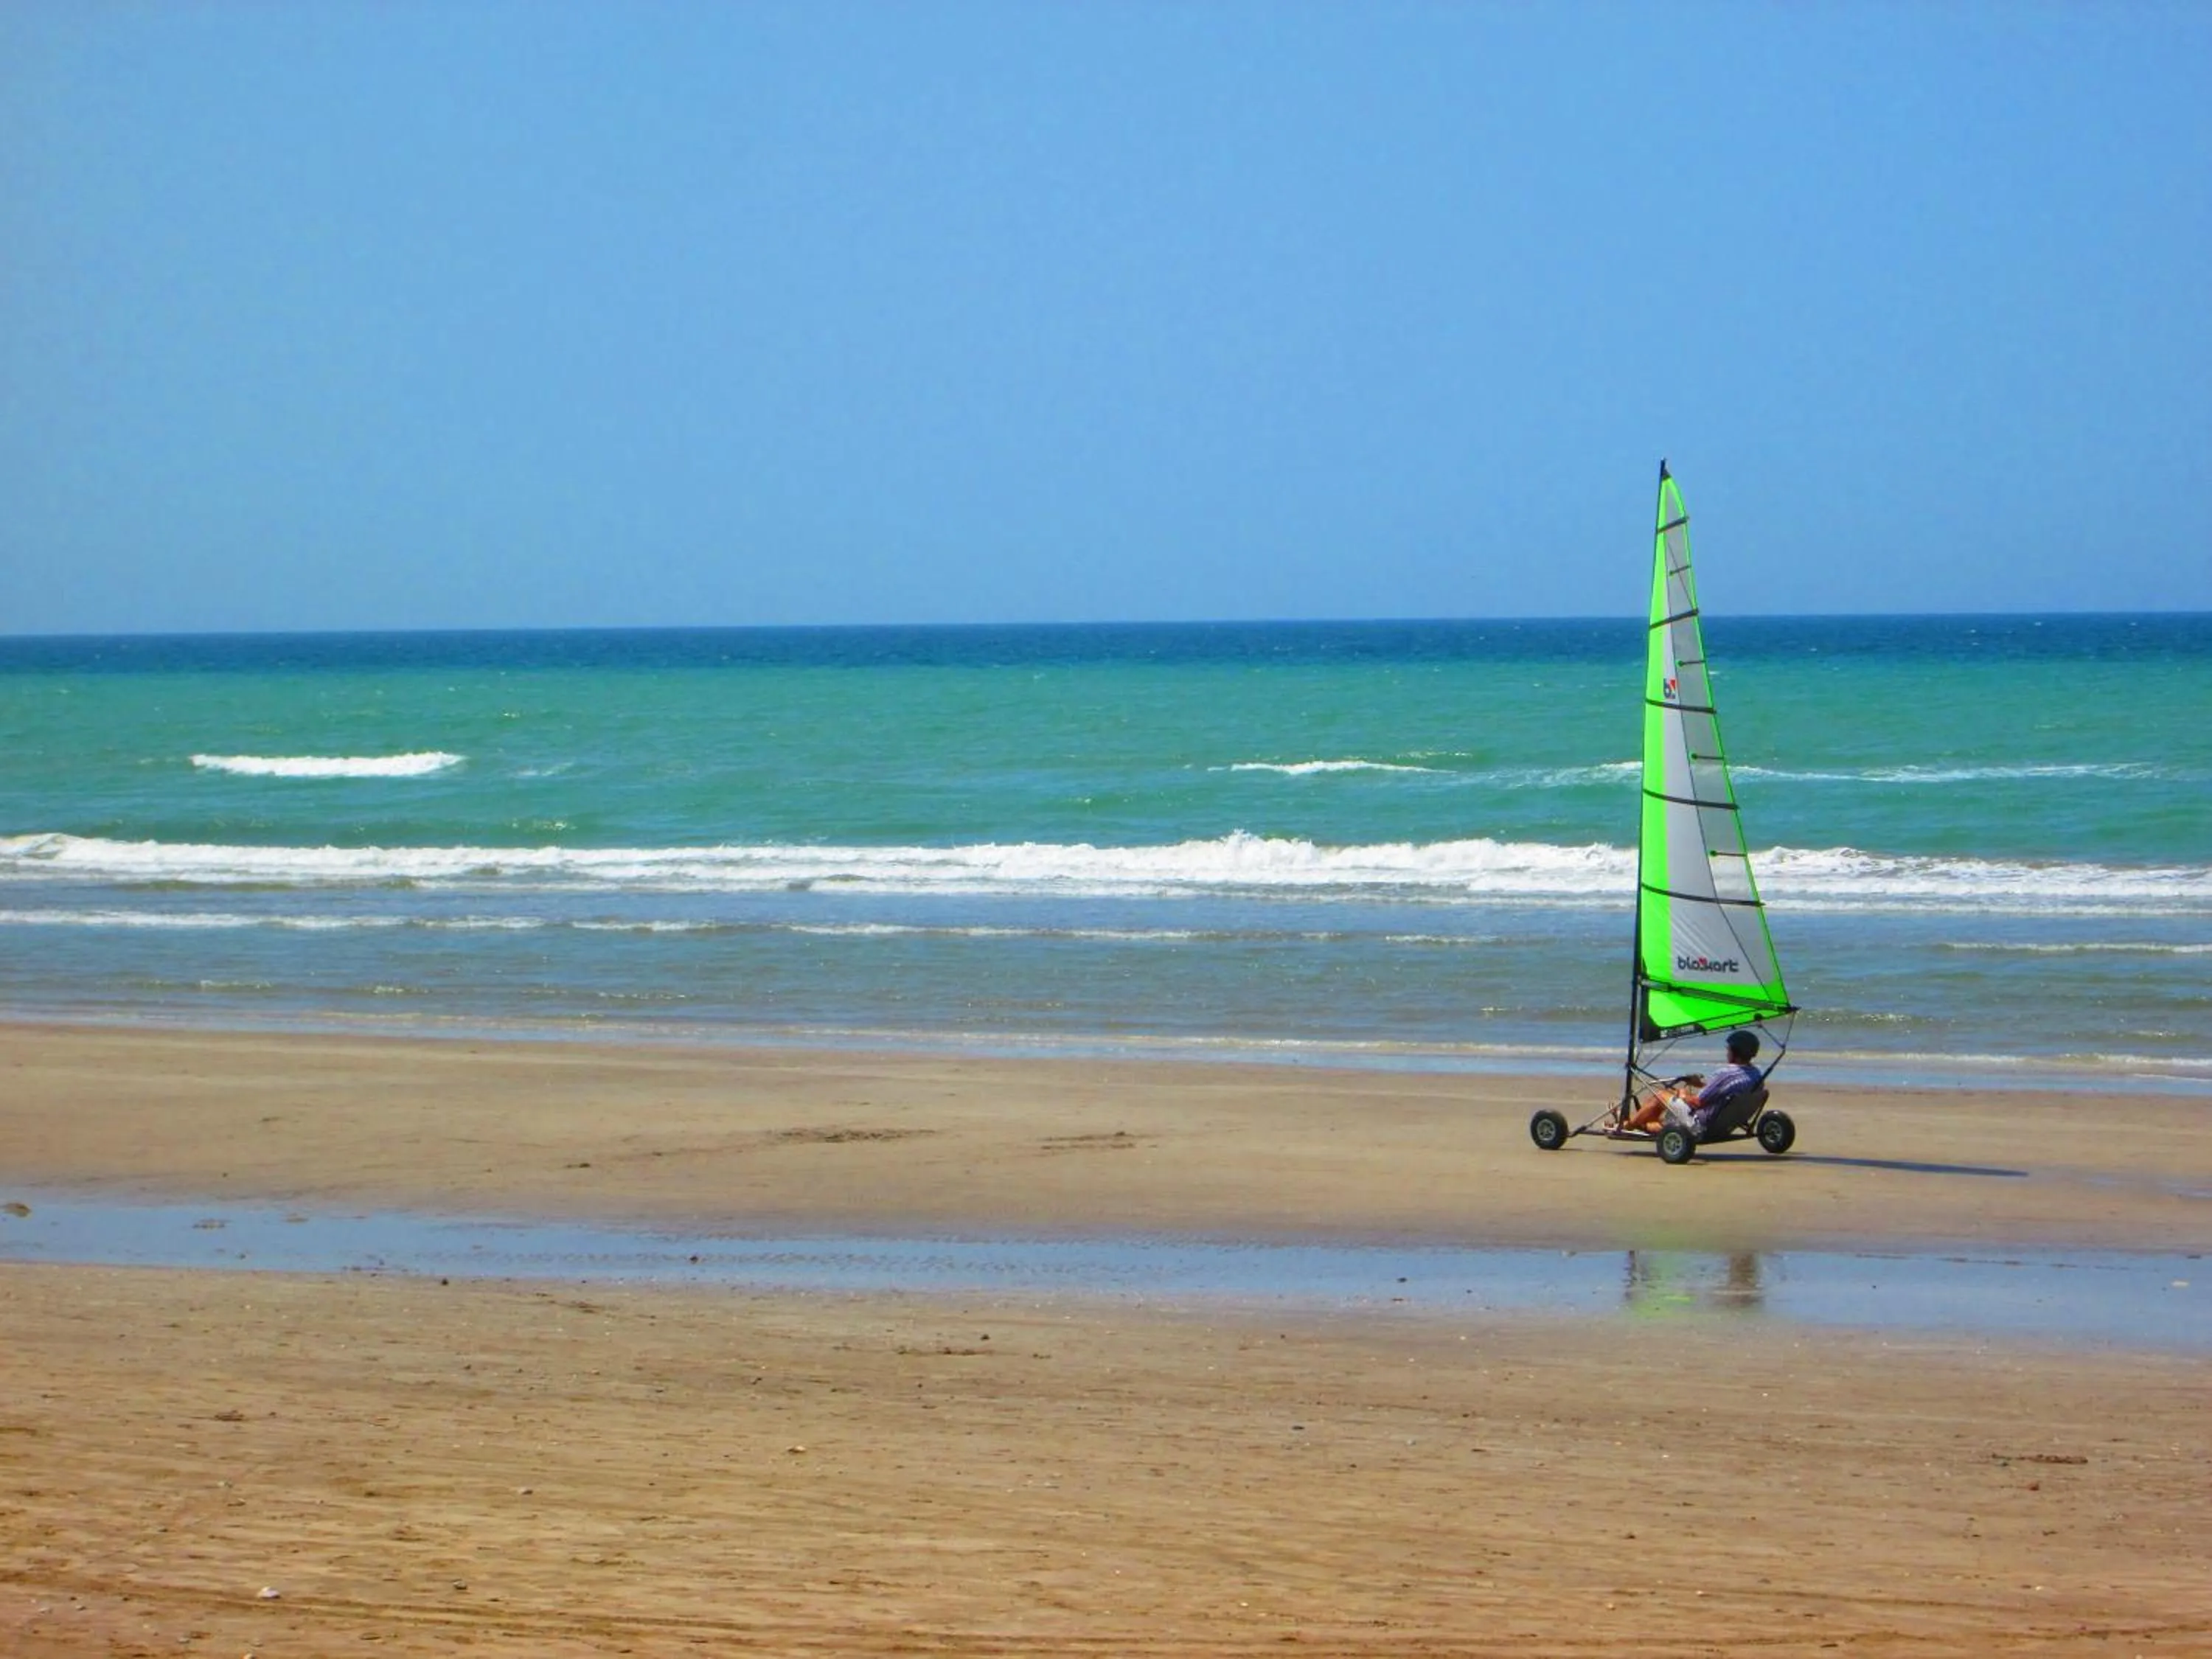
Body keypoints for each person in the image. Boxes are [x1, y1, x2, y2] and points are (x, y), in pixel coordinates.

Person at [1617, 1029, 1764, 1135]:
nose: (1727, 1053)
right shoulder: (1756, 1074)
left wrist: (1681, 1095)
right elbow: (1725, 1091)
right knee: (1670, 1104)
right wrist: (1700, 1085)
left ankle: (1628, 1125)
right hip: (1724, 1124)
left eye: (1729, 1050)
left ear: (1735, 1052)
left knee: (1661, 1096)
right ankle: (1640, 1123)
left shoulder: (1725, 1074)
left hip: (1701, 1124)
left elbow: (1698, 1103)